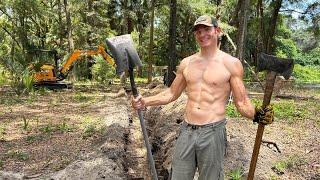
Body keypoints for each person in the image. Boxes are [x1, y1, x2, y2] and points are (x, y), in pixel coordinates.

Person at [132, 15, 274, 180]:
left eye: (206, 29)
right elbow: (171, 93)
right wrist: (145, 101)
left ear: (217, 31)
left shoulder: (231, 63)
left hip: (213, 133)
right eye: (198, 31)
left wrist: (257, 114)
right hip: (187, 131)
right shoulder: (187, 63)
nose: (202, 34)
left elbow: (241, 102)